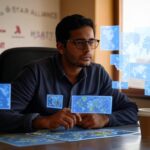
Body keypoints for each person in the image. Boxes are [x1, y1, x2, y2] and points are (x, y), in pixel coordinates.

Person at [0, 14, 138, 133]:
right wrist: (43, 121)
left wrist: (106, 119)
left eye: (91, 42)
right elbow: (2, 114)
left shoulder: (98, 74)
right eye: (79, 43)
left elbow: (131, 109)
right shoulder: (34, 72)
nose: (88, 49)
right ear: (60, 47)